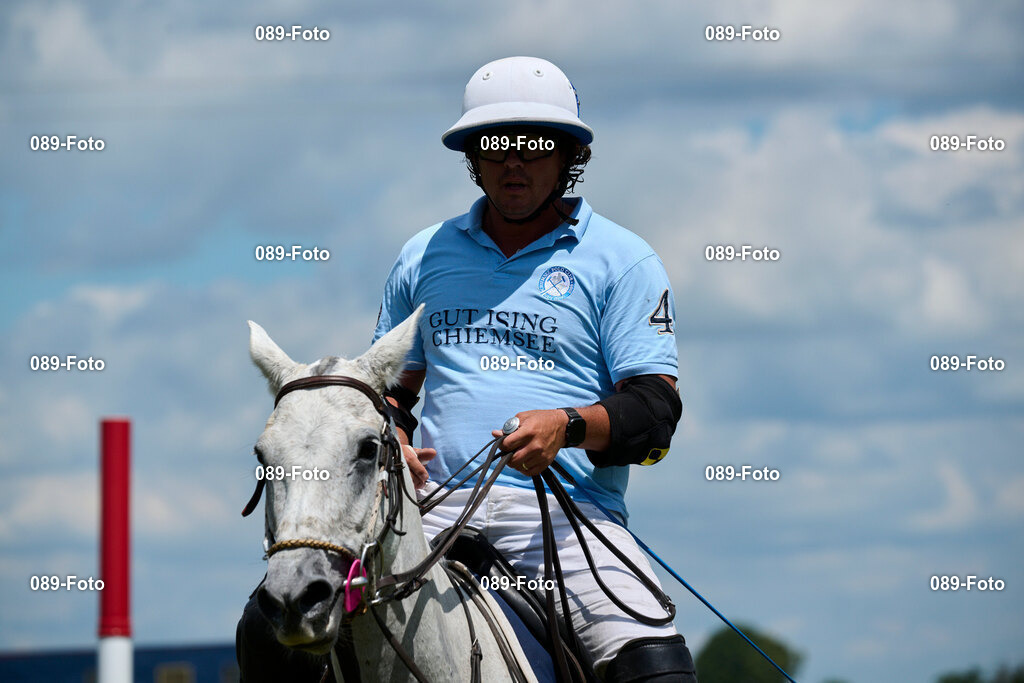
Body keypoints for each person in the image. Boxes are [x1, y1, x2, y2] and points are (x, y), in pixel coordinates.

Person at [375, 56, 696, 682]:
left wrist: (566, 426)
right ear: (474, 157)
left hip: (567, 519)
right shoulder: (422, 255)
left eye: (534, 146)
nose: (513, 162)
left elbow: (654, 416)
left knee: (657, 666)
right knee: (294, 619)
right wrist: (395, 442)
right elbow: (389, 394)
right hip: (431, 510)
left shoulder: (624, 259)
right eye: (494, 147)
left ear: (569, 155)